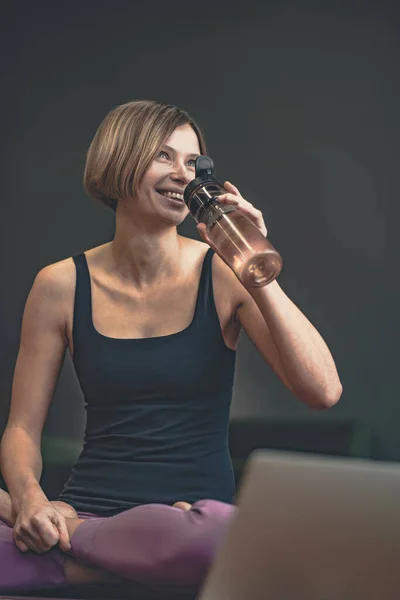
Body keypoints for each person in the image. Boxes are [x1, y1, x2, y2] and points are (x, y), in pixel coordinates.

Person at [0, 100, 343, 595]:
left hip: (189, 524)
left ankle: (71, 546)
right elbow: (21, 428)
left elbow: (323, 391)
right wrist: (31, 501)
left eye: (192, 162)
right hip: (88, 502)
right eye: (164, 157)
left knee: (224, 540)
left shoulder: (224, 272)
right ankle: (96, 545)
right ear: (119, 162)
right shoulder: (59, 284)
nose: (183, 175)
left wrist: (254, 265)